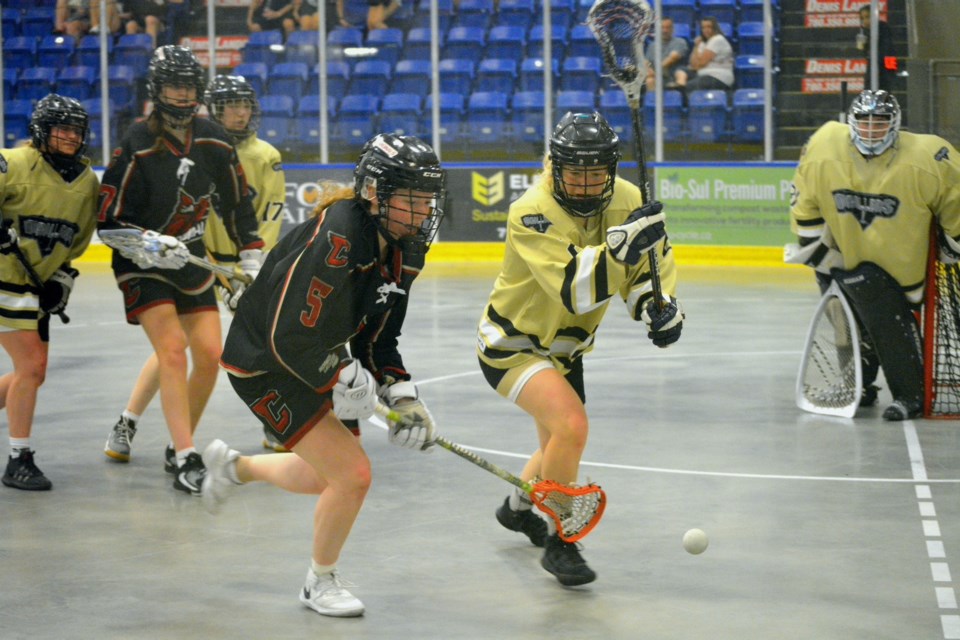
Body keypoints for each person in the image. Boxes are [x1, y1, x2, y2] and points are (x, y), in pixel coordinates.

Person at [200, 133, 445, 617]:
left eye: (427, 200)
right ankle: (319, 582)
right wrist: (338, 373)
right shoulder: (338, 233)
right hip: (264, 365)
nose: (420, 213)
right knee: (352, 476)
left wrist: (401, 394)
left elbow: (380, 334)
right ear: (375, 192)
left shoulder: (406, 246)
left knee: (322, 476)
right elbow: (286, 336)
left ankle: (234, 467)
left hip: (316, 357)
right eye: (410, 199)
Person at [477, 112, 683, 586]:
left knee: (556, 442)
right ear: (556, 166)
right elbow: (574, 289)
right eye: (576, 172)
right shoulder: (531, 209)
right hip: (514, 344)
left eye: (597, 173)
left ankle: (516, 508)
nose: (588, 184)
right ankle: (560, 541)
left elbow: (647, 271)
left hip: (567, 349)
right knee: (571, 426)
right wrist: (623, 247)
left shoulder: (629, 199)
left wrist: (657, 305)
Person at [97, 46, 264, 495]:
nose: (182, 94)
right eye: (174, 85)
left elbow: (237, 204)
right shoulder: (136, 140)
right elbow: (107, 220)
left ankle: (177, 441)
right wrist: (147, 243)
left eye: (189, 86)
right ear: (157, 89)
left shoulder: (213, 138)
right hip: (141, 264)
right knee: (172, 350)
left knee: (210, 354)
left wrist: (250, 256)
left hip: (190, 259)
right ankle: (187, 453)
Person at [787, 90, 960, 420]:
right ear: (850, 123)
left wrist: (953, 245)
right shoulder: (825, 146)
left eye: (879, 122)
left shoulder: (926, 156)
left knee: (885, 323)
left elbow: (956, 201)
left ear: (894, 125)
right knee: (844, 322)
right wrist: (821, 256)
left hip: (902, 267)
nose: (870, 129)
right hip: (842, 256)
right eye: (863, 121)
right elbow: (805, 209)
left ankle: (909, 393)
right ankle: (859, 386)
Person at [0, 95, 99, 490]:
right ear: (42, 131)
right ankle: (18, 456)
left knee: (32, 374)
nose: (71, 136)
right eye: (63, 128)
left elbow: (75, 242)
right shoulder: (13, 162)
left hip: (34, 285)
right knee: (33, 367)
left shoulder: (86, 182)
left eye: (76, 130)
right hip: (3, 279)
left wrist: (63, 278)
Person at [675, 16, 734, 93]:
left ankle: (685, 96)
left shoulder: (717, 39)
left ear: (715, 28)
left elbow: (701, 63)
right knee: (681, 69)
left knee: (690, 86)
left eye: (709, 27)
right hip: (703, 74)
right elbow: (693, 64)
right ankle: (680, 85)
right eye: (703, 28)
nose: (706, 30)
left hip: (718, 77)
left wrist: (697, 64)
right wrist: (696, 46)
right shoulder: (702, 42)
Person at [857, 5, 896, 92]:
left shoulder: (883, 28)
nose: (865, 21)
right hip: (873, 66)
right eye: (862, 18)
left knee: (884, 90)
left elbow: (888, 50)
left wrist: (889, 71)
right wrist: (863, 45)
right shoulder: (864, 32)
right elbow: (864, 53)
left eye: (867, 17)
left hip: (885, 66)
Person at [644, 17, 689, 91]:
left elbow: (672, 58)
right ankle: (652, 102)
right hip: (657, 77)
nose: (665, 30)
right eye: (662, 27)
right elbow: (646, 63)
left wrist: (655, 71)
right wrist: (649, 71)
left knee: (680, 75)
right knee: (649, 80)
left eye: (668, 27)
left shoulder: (680, 42)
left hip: (673, 76)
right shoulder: (652, 45)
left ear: (672, 29)